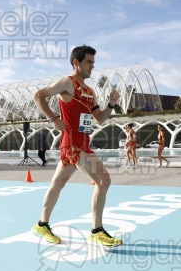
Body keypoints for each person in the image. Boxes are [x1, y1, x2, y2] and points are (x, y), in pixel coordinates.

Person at [32, 45, 122, 247]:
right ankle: (97, 230)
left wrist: (111, 105)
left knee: (57, 184)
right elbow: (39, 96)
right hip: (73, 145)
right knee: (104, 180)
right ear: (76, 63)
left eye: (93, 62)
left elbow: (99, 118)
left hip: (81, 142)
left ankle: (41, 224)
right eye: (89, 62)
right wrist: (54, 117)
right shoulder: (67, 83)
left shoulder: (90, 92)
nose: (92, 66)